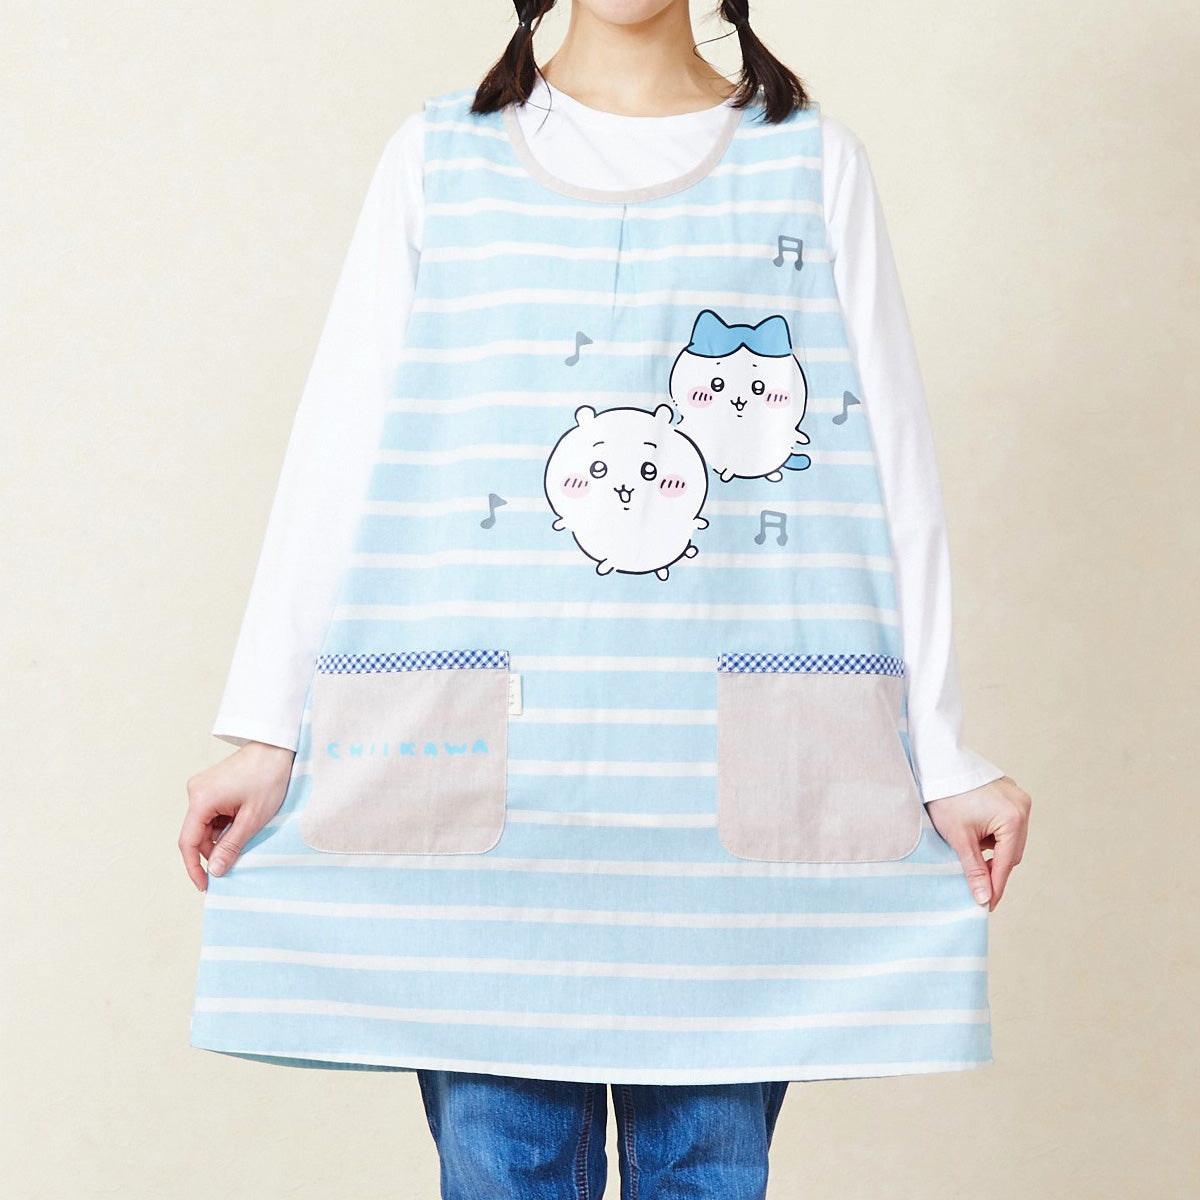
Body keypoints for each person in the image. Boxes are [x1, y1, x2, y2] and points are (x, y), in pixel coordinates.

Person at [180, 1, 1032, 1195]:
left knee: (709, 1171)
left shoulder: (810, 163)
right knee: (503, 1173)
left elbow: (895, 471)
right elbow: (340, 445)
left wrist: (940, 753)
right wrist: (268, 729)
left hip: (720, 834)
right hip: (491, 818)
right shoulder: (439, 159)